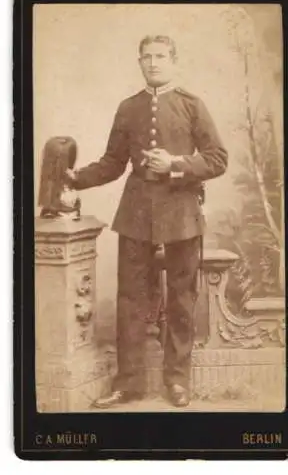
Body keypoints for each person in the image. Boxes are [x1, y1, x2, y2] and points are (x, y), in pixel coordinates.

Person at [66, 35, 228, 408]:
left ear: (174, 61)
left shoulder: (192, 105)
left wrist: (176, 164)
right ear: (139, 62)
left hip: (182, 213)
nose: (153, 63)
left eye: (160, 56)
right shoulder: (128, 108)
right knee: (131, 300)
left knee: (182, 300)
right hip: (137, 214)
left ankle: (177, 381)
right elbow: (112, 163)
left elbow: (217, 159)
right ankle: (130, 384)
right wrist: (74, 179)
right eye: (147, 57)